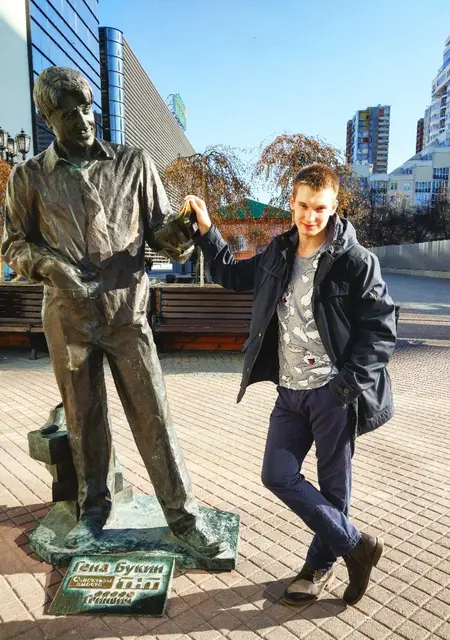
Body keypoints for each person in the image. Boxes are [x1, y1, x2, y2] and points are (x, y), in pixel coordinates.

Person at [1, 66, 225, 557]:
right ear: (48, 118)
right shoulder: (29, 176)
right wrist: (50, 266)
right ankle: (93, 512)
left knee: (153, 414)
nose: (83, 121)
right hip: (67, 318)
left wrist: (182, 233)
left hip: (126, 313)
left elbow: (160, 232)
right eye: (68, 114)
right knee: (83, 419)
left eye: (87, 109)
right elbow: (13, 243)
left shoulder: (133, 163)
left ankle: (183, 516)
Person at [187, 164, 397, 606]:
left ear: (334, 206)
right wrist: (207, 230)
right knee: (277, 474)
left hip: (334, 394)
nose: (310, 216)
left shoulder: (355, 261)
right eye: (303, 206)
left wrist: (345, 387)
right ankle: (357, 545)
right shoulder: (278, 253)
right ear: (292, 203)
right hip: (290, 392)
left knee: (334, 490)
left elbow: (381, 330)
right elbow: (231, 274)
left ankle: (317, 567)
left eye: (320, 208)